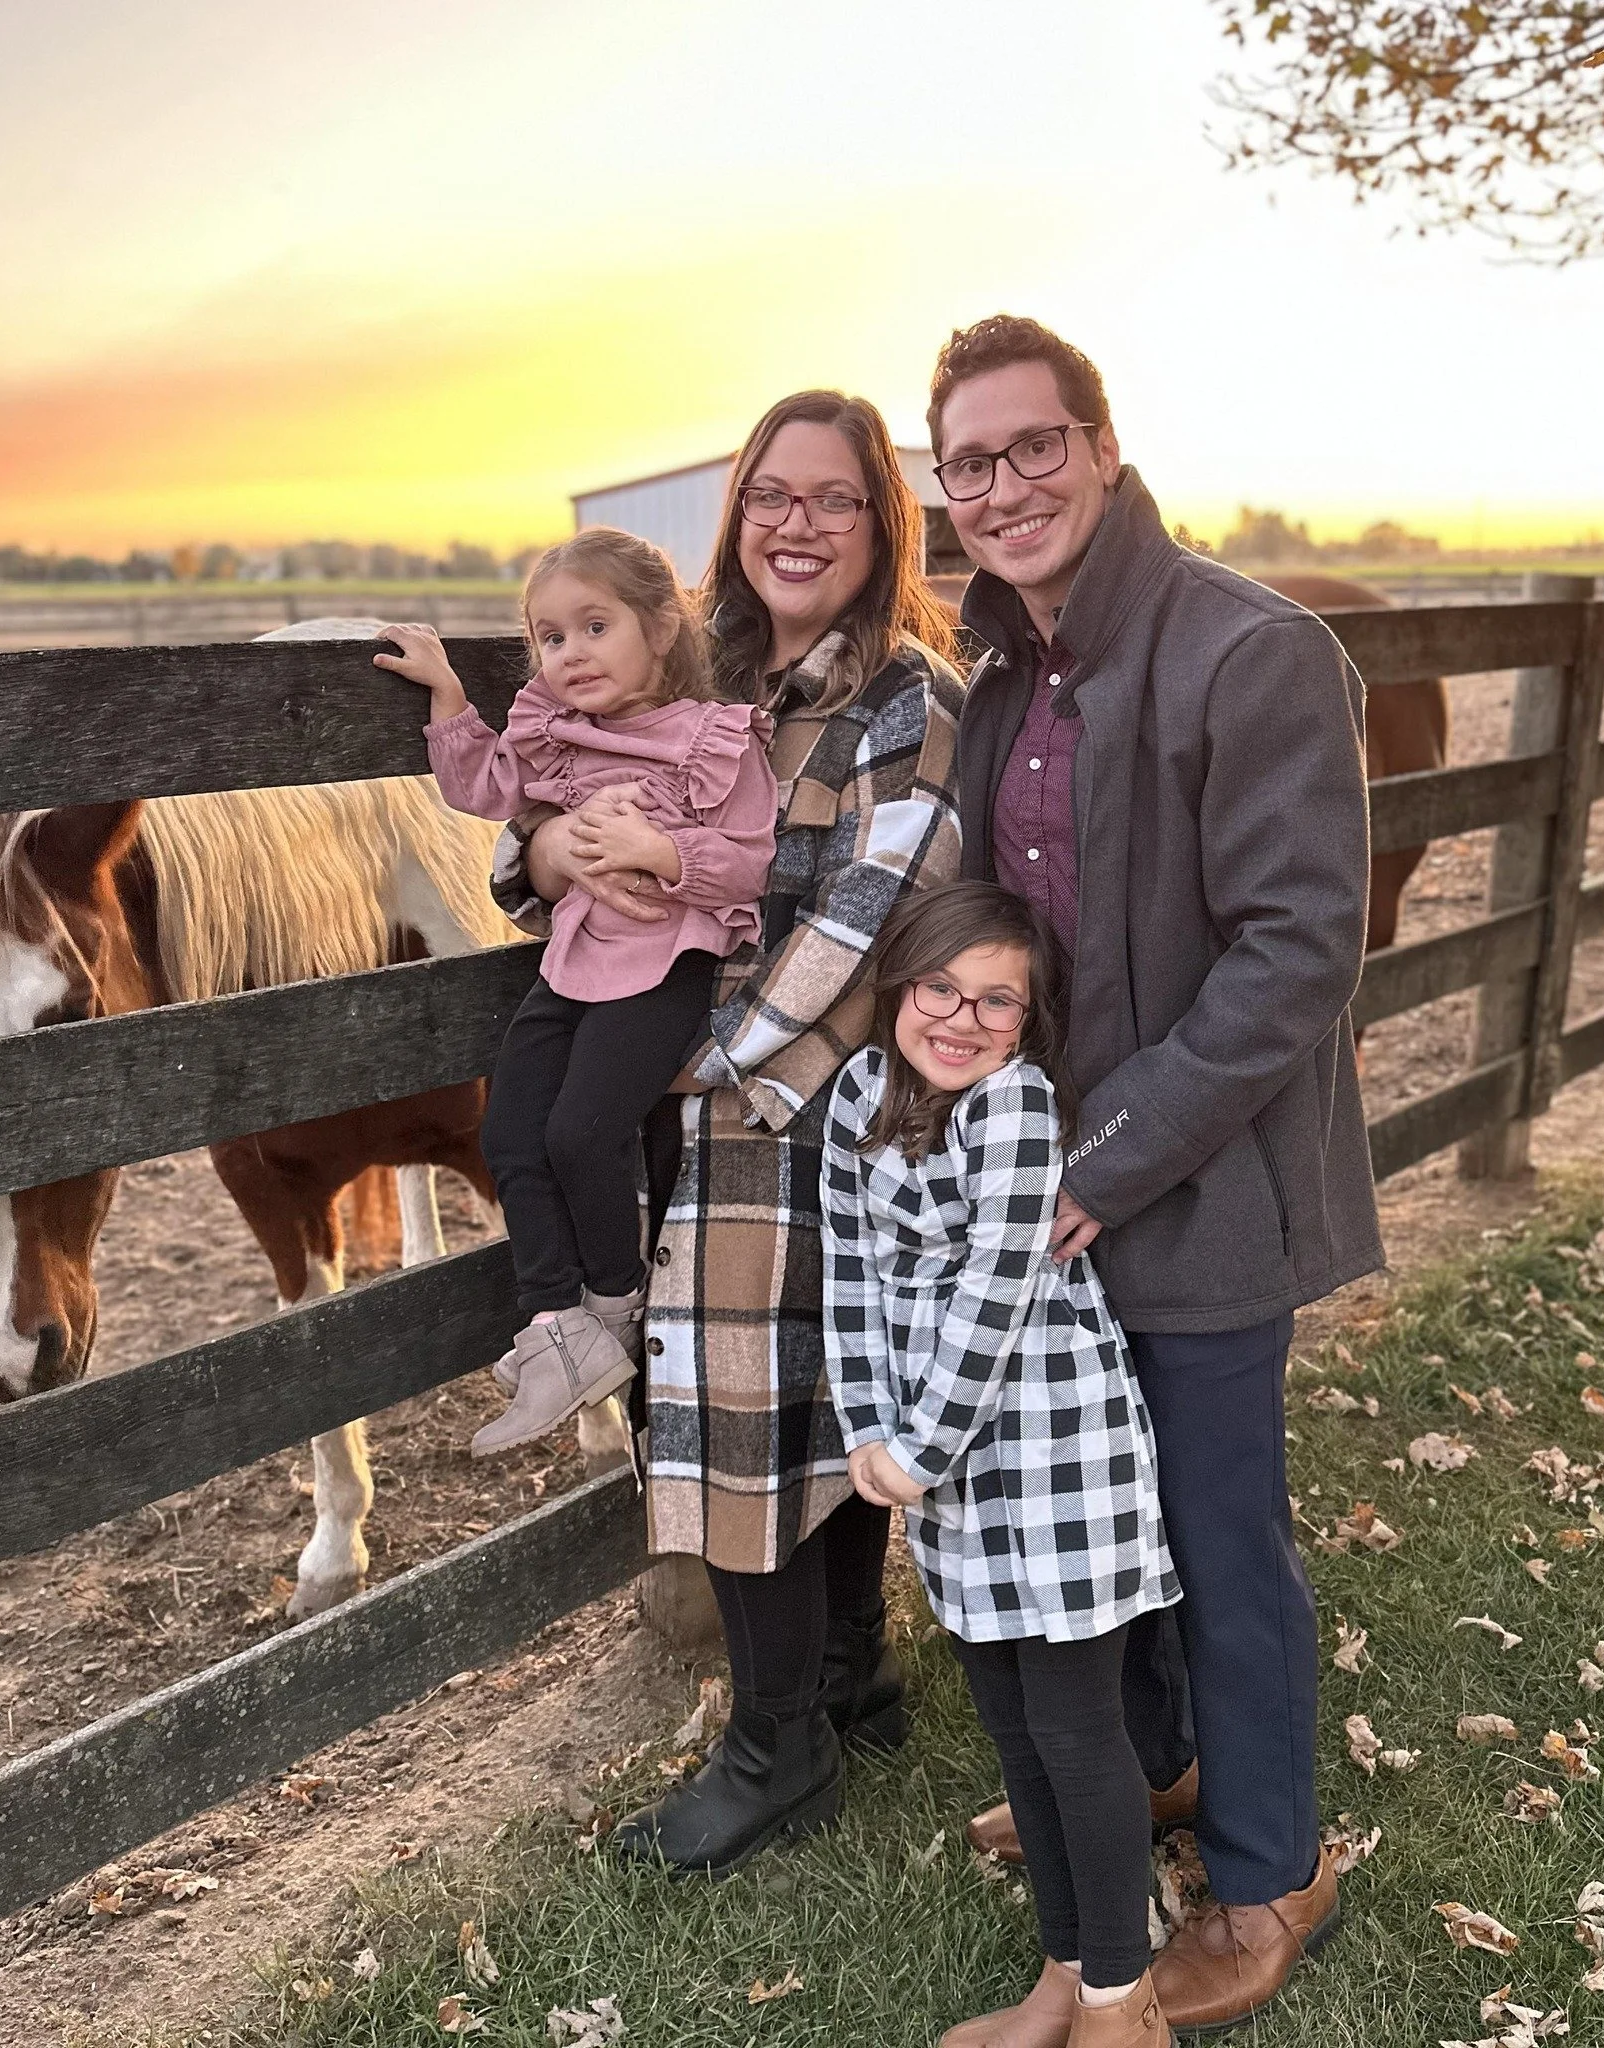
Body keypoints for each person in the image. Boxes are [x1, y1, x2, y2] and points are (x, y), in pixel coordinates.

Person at [929, 315, 1384, 2033]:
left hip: (1198, 1185)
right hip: (1050, 1182)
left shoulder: (1246, 650)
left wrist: (1097, 1163)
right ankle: (1165, 1765)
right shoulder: (1006, 677)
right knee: (1108, 1516)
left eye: (1030, 446)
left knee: (1215, 1528)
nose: (1001, 486)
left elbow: (1292, 949)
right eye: (967, 464)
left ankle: (1270, 1871)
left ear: (1100, 448)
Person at [487, 392, 965, 1873]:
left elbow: (872, 918)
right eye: (773, 494)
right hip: (671, 1079)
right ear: (737, 514)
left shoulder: (906, 701)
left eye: (835, 498)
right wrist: (542, 849)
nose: (798, 524)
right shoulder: (705, 671)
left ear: (883, 524)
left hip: (785, 1092)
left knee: (756, 1406)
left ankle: (773, 1752)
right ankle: (845, 1681)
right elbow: (541, 809)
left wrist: (709, 1073)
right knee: (790, 1395)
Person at [825, 882, 1178, 2048]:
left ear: (1027, 1023)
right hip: (944, 1467)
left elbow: (992, 1295)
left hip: (1053, 1443)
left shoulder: (1016, 1106)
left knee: (1075, 1725)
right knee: (1011, 1727)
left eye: (997, 1001)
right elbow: (850, 1278)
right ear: (898, 984)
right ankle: (1063, 1971)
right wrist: (868, 1429)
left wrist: (916, 1445)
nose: (960, 1018)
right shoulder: (854, 1101)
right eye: (939, 988)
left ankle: (1122, 2003)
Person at [374, 529, 777, 1455]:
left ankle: (612, 1304)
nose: (572, 653)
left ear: (663, 628)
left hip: (667, 964)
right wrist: (447, 694)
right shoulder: (551, 733)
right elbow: (483, 787)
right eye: (552, 638)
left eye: (596, 626)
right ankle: (556, 1323)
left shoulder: (711, 738)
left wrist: (662, 852)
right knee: (510, 1129)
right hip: (574, 958)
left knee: (582, 1131)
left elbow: (755, 863)